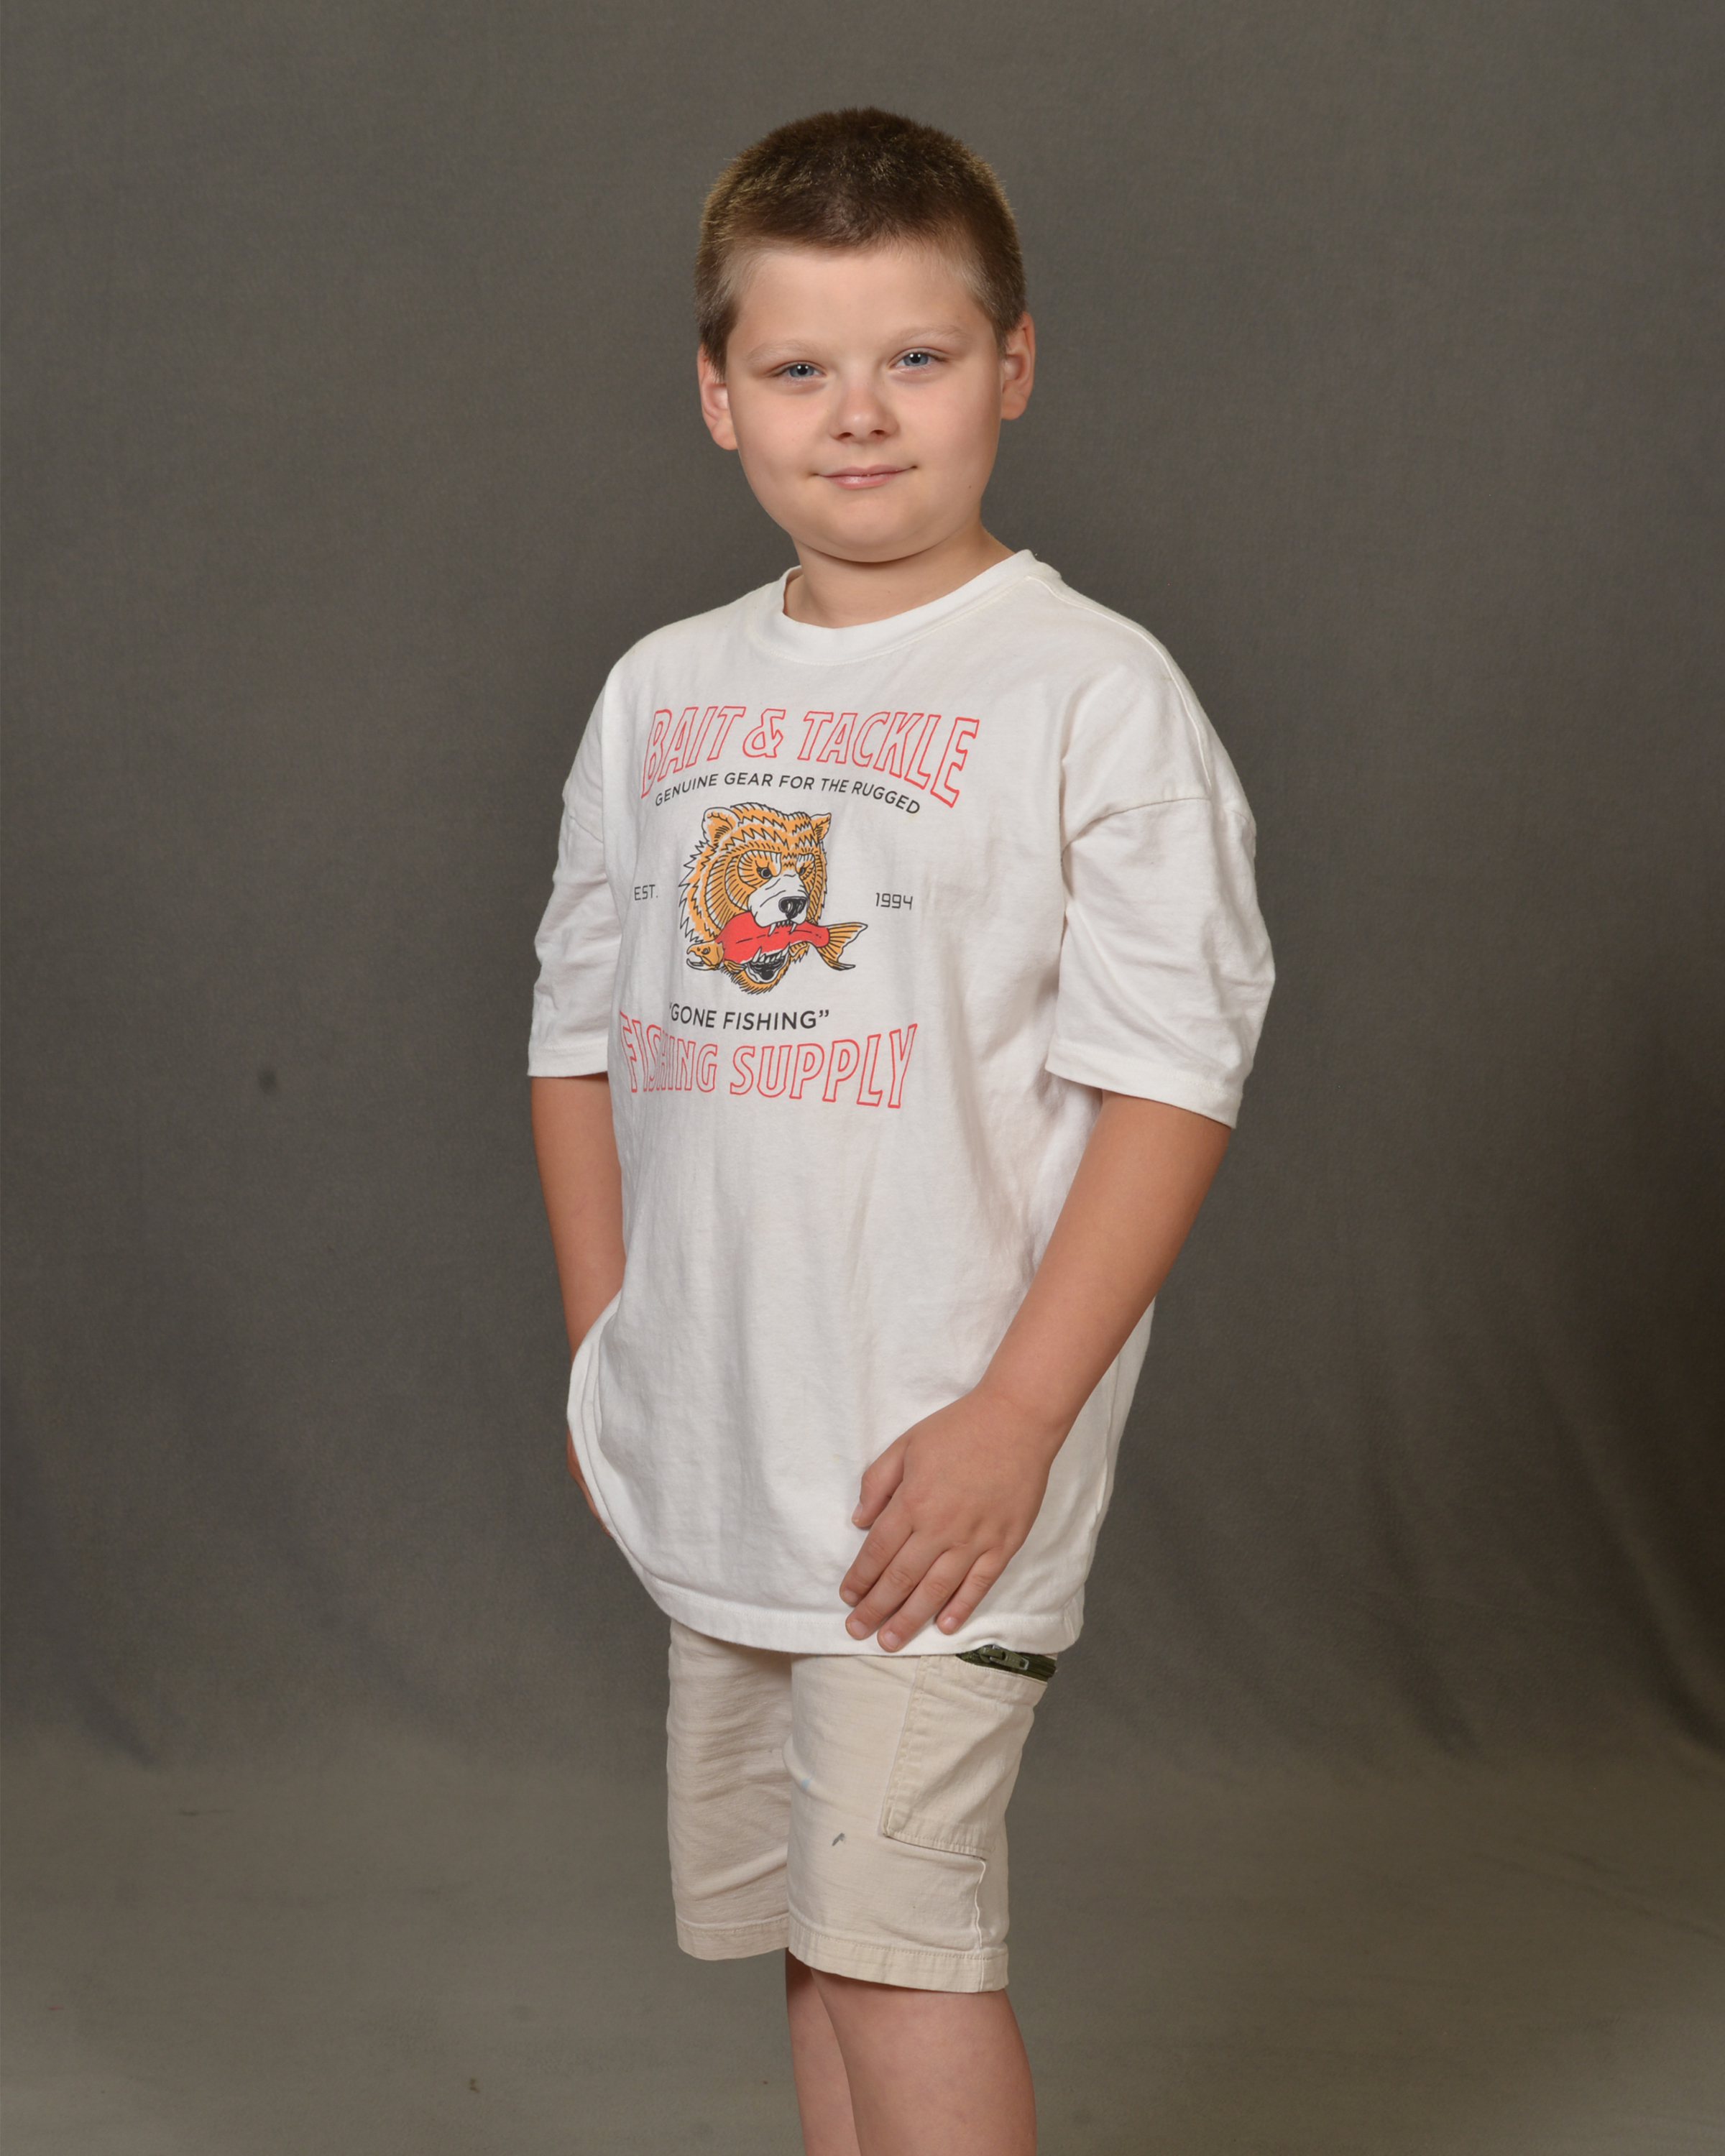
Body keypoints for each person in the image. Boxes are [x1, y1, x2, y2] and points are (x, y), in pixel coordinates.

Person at [528, 107, 1274, 2156]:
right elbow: (577, 1035)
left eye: (917, 358)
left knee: (902, 1953)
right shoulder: (662, 692)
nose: (857, 415)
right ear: (719, 395)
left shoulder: (1089, 694)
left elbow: (1171, 1079)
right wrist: (607, 1347)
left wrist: (1018, 1416)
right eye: (799, 367)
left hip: (937, 1459)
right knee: (818, 1933)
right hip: (725, 1432)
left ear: (1012, 365)